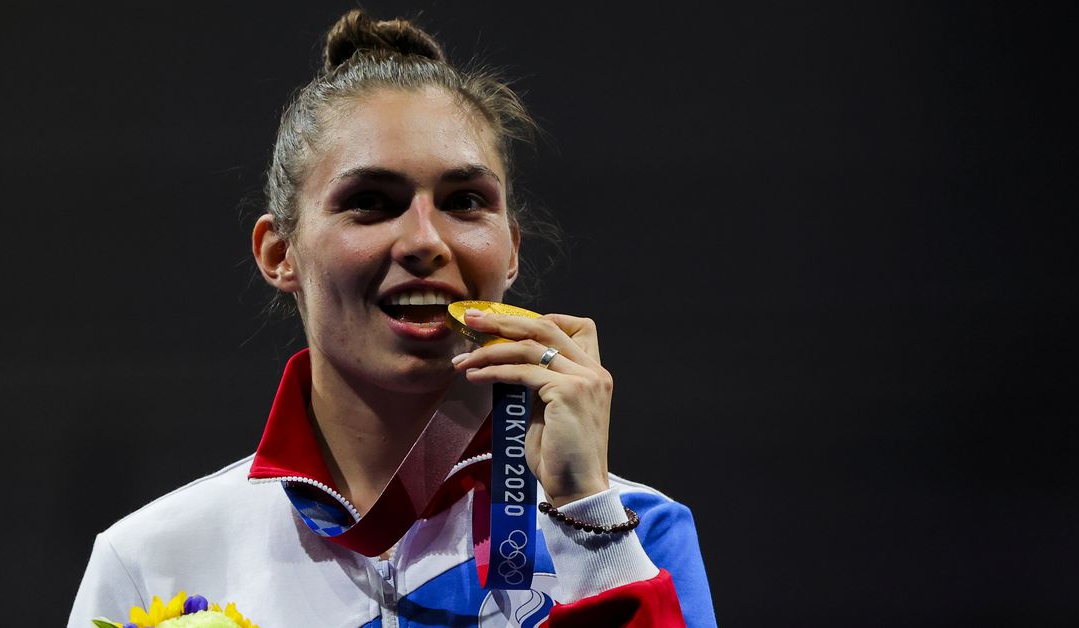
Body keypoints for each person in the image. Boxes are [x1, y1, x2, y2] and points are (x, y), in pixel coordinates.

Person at [68, 10, 717, 627]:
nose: (425, 240)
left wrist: (583, 513)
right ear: (279, 252)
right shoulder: (157, 560)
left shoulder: (636, 529)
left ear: (511, 250)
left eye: (465, 201)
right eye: (371, 203)